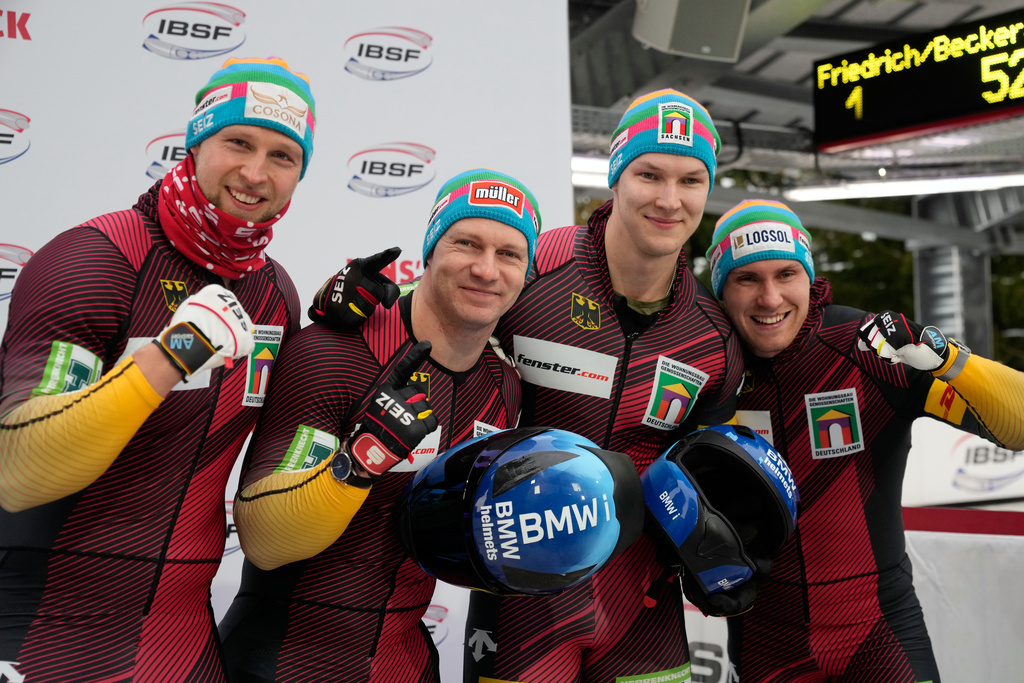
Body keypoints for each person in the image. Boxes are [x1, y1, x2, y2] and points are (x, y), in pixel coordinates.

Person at [0, 57, 315, 681]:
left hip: (179, 639)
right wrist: (169, 357)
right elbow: (21, 470)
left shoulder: (276, 294)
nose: (255, 174)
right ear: (196, 144)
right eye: (238, 143)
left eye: (283, 156)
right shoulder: (95, 258)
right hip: (43, 629)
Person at [217, 168, 538, 682]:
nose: (485, 269)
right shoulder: (337, 349)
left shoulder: (503, 386)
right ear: (429, 252)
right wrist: (362, 459)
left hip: (405, 663)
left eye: (509, 254)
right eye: (466, 243)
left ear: (527, 272)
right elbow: (263, 539)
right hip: (281, 660)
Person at [707, 198, 1024, 682]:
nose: (770, 298)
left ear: (810, 279)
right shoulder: (706, 365)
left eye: (787, 274)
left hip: (877, 631)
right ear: (721, 289)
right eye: (747, 279)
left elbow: (1019, 427)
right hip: (764, 641)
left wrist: (946, 357)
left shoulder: (870, 349)